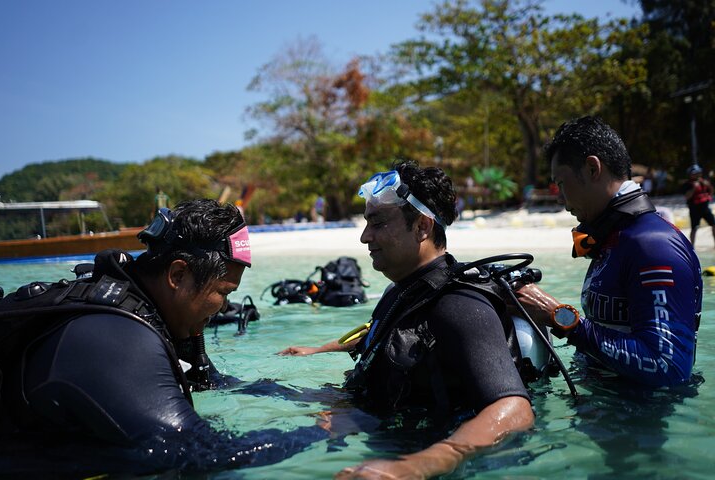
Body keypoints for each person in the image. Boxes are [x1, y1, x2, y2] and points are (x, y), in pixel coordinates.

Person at [0, 199, 325, 476]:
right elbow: (197, 452)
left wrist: (291, 394)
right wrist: (321, 432)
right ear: (178, 275)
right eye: (223, 292)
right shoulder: (117, 339)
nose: (225, 306)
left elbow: (207, 380)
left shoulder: (151, 312)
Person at [279, 160, 534, 479]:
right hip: (370, 418)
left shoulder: (460, 305)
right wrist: (320, 350)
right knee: (265, 391)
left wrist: (417, 466)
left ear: (421, 227)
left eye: (378, 223)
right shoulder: (401, 290)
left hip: (422, 454)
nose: (364, 237)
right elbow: (386, 335)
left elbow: (514, 410)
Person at [515, 116, 701, 388]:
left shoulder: (652, 246)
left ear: (592, 169)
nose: (559, 197)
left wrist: (560, 317)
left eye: (562, 183)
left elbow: (668, 367)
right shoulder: (616, 237)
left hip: (635, 424)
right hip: (607, 413)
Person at [680, 164, 715, 246]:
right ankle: (692, 246)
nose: (697, 175)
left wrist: (708, 185)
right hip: (694, 209)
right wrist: (693, 188)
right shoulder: (687, 184)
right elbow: (687, 197)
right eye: (695, 173)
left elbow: (711, 192)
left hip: (705, 208)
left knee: (713, 224)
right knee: (694, 228)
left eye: (698, 173)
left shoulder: (703, 182)